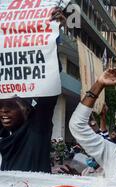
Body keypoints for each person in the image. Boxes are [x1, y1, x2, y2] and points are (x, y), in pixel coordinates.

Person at [0, 7, 67, 172]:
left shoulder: (37, 128)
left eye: (10, 107)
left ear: (26, 110)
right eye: (1, 108)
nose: (3, 112)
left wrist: (51, 37)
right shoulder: (4, 135)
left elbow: (49, 77)